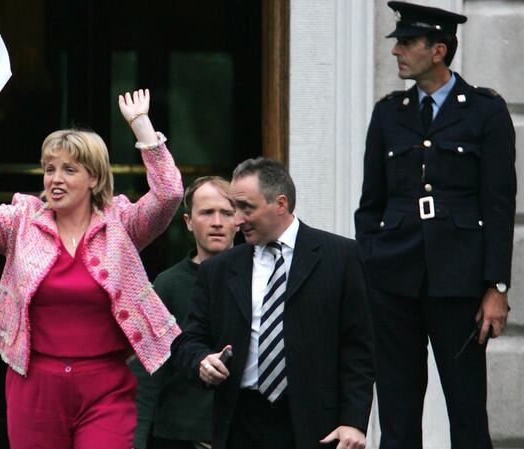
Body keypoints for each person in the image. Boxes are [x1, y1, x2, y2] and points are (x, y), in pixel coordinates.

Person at [0, 89, 183, 449]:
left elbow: (169, 196)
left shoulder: (121, 223)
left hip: (106, 388)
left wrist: (142, 126)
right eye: (50, 169)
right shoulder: (21, 222)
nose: (55, 178)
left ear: (94, 178)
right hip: (34, 384)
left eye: (69, 169)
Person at [354, 3, 516, 449]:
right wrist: (369, 261)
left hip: (459, 283)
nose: (397, 52)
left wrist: (496, 287)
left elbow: (499, 206)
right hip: (393, 281)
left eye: (407, 43)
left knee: (467, 415)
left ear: (438, 50)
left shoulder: (486, 112)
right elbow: (371, 203)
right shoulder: (389, 113)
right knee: (397, 415)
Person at [172, 158, 374, 449]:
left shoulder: (340, 257)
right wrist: (202, 362)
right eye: (235, 208)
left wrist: (354, 421)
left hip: (317, 426)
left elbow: (359, 347)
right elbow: (189, 340)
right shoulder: (218, 269)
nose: (237, 219)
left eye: (246, 208)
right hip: (240, 421)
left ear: (280, 204)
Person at [131, 176, 238, 449]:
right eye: (207, 212)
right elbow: (148, 373)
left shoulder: (259, 278)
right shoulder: (168, 284)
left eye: (226, 213)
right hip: (179, 435)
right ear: (189, 222)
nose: (217, 221)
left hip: (241, 430)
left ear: (239, 220)